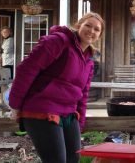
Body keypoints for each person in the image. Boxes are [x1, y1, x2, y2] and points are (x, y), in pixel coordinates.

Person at [8, 12, 105, 163]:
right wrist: (15, 105)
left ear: (99, 35)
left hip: (68, 113)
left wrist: (79, 123)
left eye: (97, 29)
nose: (91, 31)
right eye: (88, 25)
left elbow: (83, 93)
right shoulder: (58, 41)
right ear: (79, 25)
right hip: (42, 109)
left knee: (73, 158)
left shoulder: (89, 60)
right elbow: (26, 70)